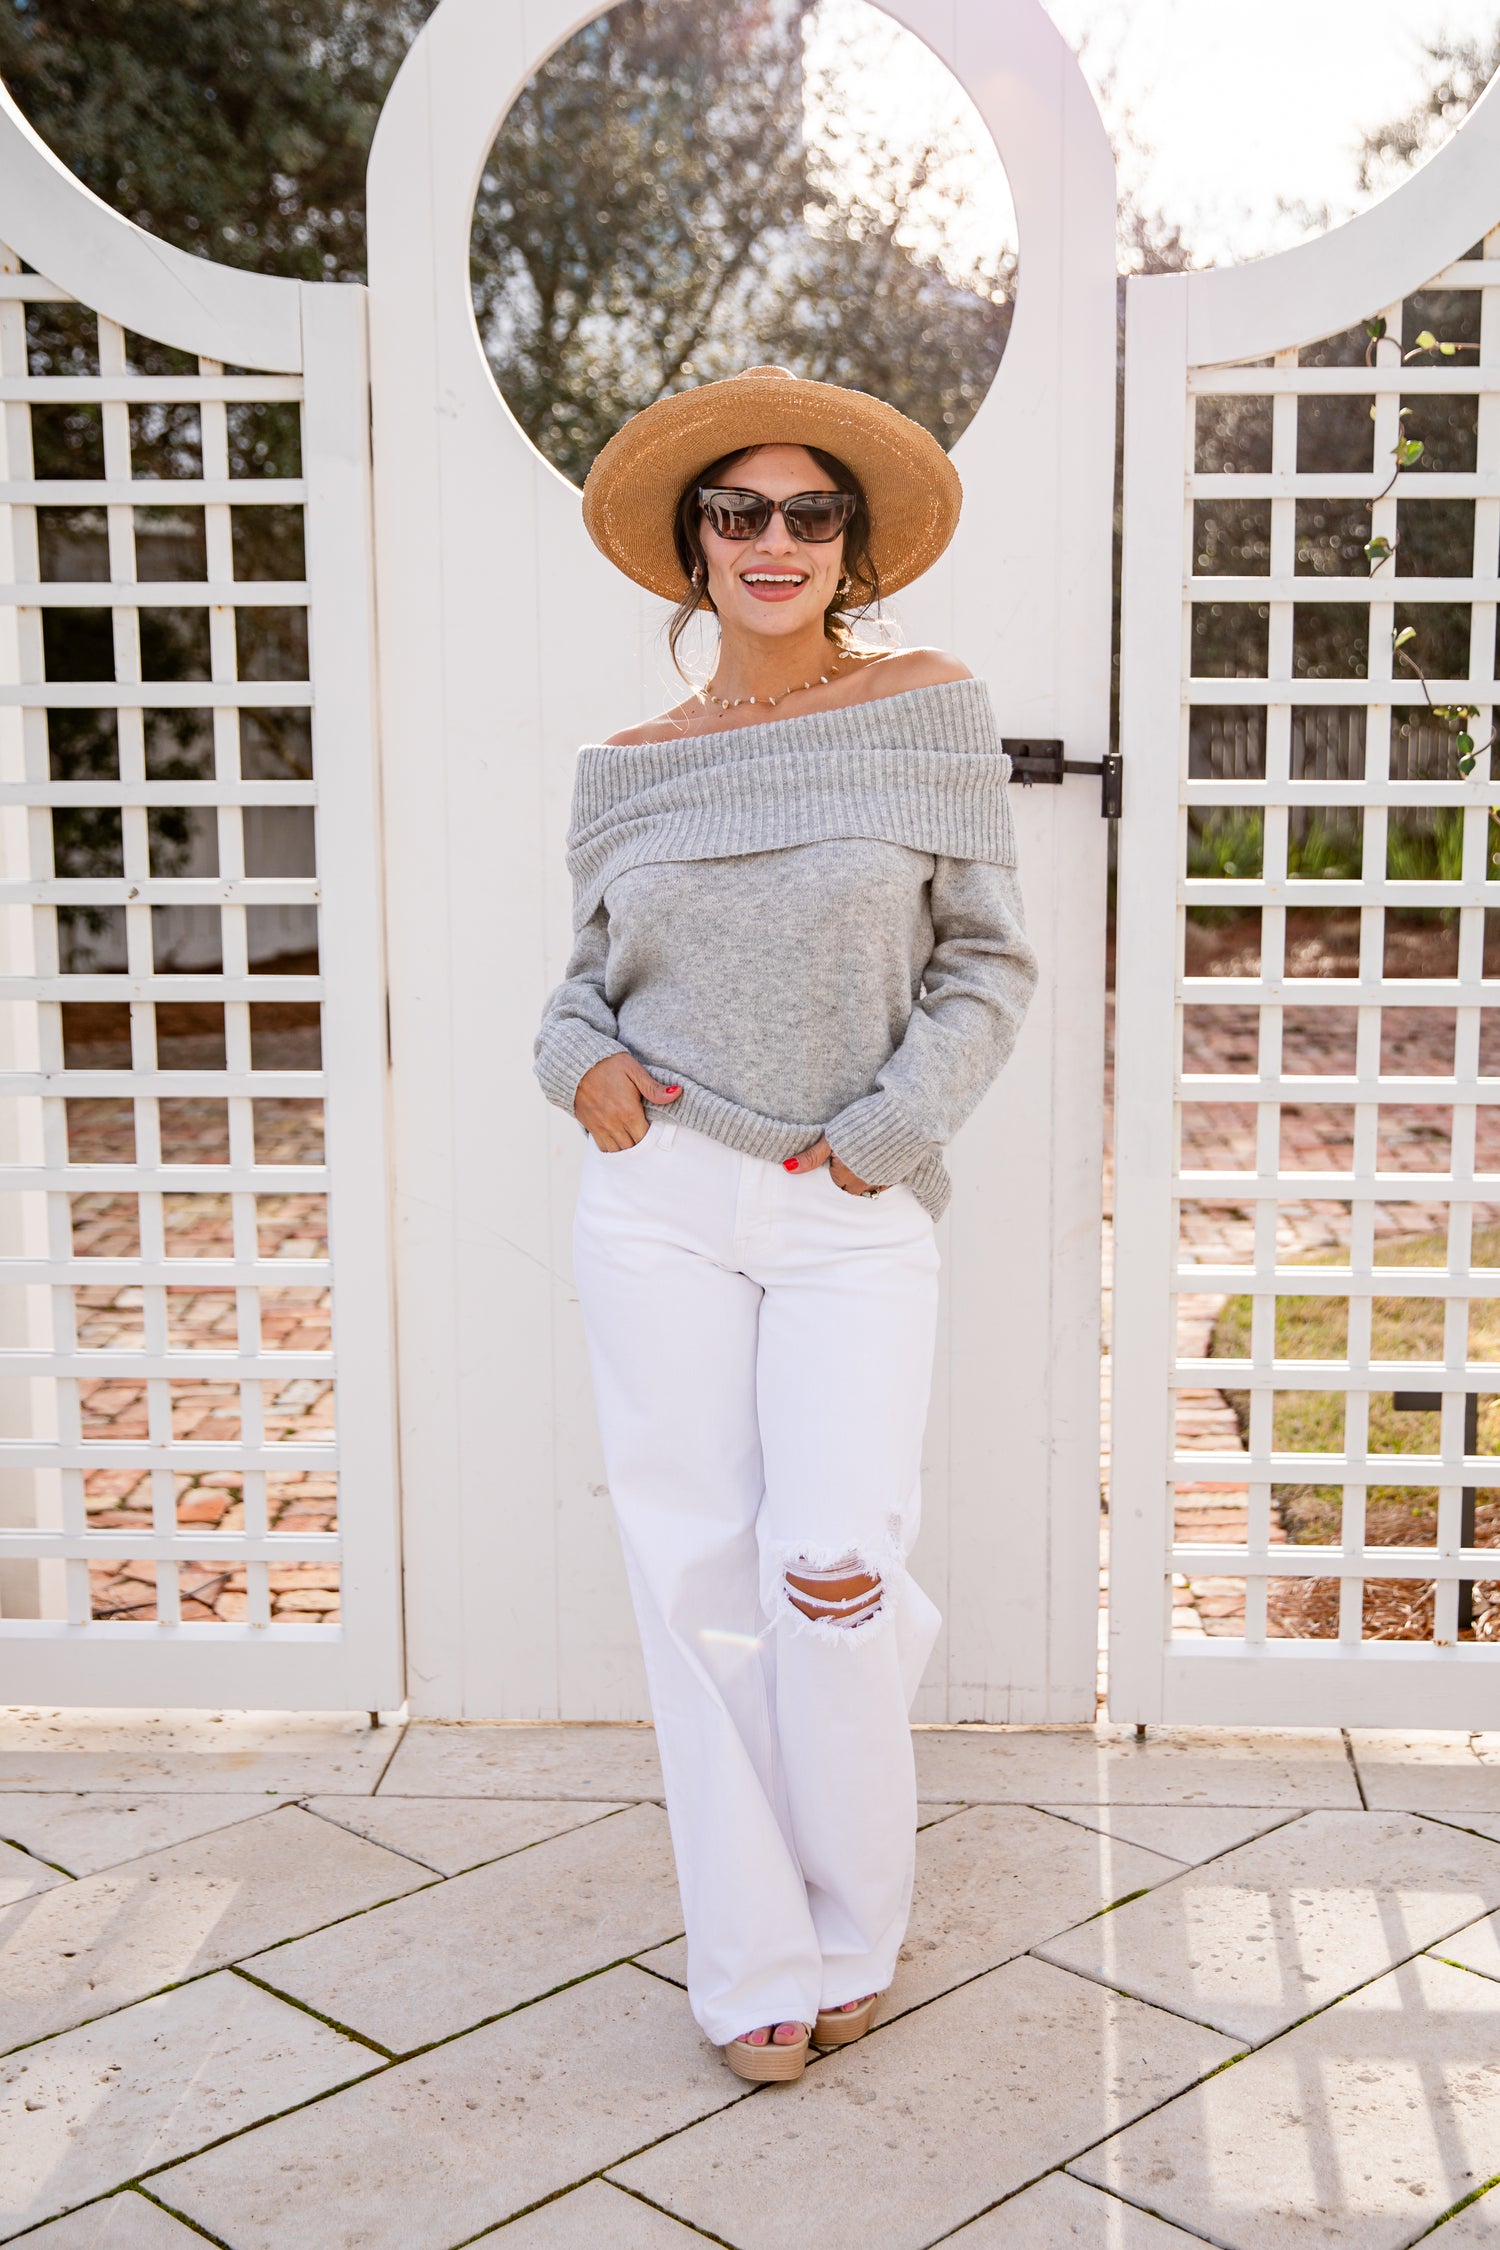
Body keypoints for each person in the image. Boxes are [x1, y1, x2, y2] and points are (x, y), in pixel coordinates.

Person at [533, 366, 1038, 2082]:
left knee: (830, 1562)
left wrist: (884, 1134)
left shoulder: (926, 709)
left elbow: (986, 962)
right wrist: (574, 1063)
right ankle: (753, 1957)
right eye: (735, 512)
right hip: (656, 1199)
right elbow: (584, 990)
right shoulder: (623, 768)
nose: (772, 539)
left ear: (851, 543)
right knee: (694, 1576)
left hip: (848, 1203)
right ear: (693, 548)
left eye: (806, 512)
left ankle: (853, 1919)